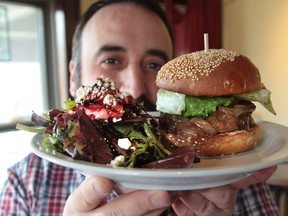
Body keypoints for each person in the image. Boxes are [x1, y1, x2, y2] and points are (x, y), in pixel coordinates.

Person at [0, 0, 279, 215]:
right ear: (74, 77)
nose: (134, 87)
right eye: (111, 60)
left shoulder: (237, 174)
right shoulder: (27, 182)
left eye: (153, 65)